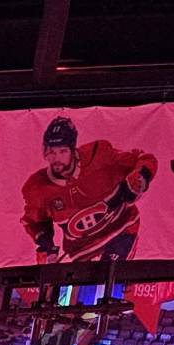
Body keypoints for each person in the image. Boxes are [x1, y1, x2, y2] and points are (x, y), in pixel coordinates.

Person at [20, 113, 156, 264]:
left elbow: (143, 159)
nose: (56, 158)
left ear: (72, 149)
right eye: (52, 152)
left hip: (120, 230)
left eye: (62, 151)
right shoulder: (38, 187)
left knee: (111, 280)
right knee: (84, 286)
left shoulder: (100, 156)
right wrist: (46, 243)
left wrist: (141, 177)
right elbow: (34, 221)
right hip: (82, 250)